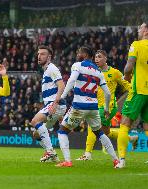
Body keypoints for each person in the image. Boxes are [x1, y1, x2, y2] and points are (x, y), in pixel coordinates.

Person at [54, 46, 119, 167]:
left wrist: (61, 96)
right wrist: (105, 109)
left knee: (62, 131)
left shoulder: (77, 65)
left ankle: (67, 161)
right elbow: (108, 93)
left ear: (85, 54)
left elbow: (72, 80)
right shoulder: (98, 72)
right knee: (100, 133)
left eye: (79, 52)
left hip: (79, 106)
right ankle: (116, 160)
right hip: (93, 107)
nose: (77, 54)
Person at [76, 50, 138, 161]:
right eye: (95, 57)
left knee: (92, 125)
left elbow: (126, 85)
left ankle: (87, 154)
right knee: (106, 132)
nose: (96, 59)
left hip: (108, 107)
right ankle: (131, 138)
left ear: (105, 58)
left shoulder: (115, 72)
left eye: (99, 57)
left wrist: (135, 92)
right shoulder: (93, 72)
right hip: (95, 105)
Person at [116, 22, 148, 168]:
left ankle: (121, 160)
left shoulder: (137, 44)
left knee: (125, 122)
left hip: (139, 89)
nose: (138, 30)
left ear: (145, 30)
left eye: (140, 28)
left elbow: (129, 66)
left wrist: (127, 76)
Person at [31, 45, 66, 162]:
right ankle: (51, 154)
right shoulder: (46, 70)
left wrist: (55, 104)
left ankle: (51, 152)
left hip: (55, 104)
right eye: (38, 54)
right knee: (36, 134)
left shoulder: (52, 68)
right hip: (52, 105)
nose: (39, 56)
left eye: (42, 54)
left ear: (49, 57)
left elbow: (61, 85)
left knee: (35, 121)